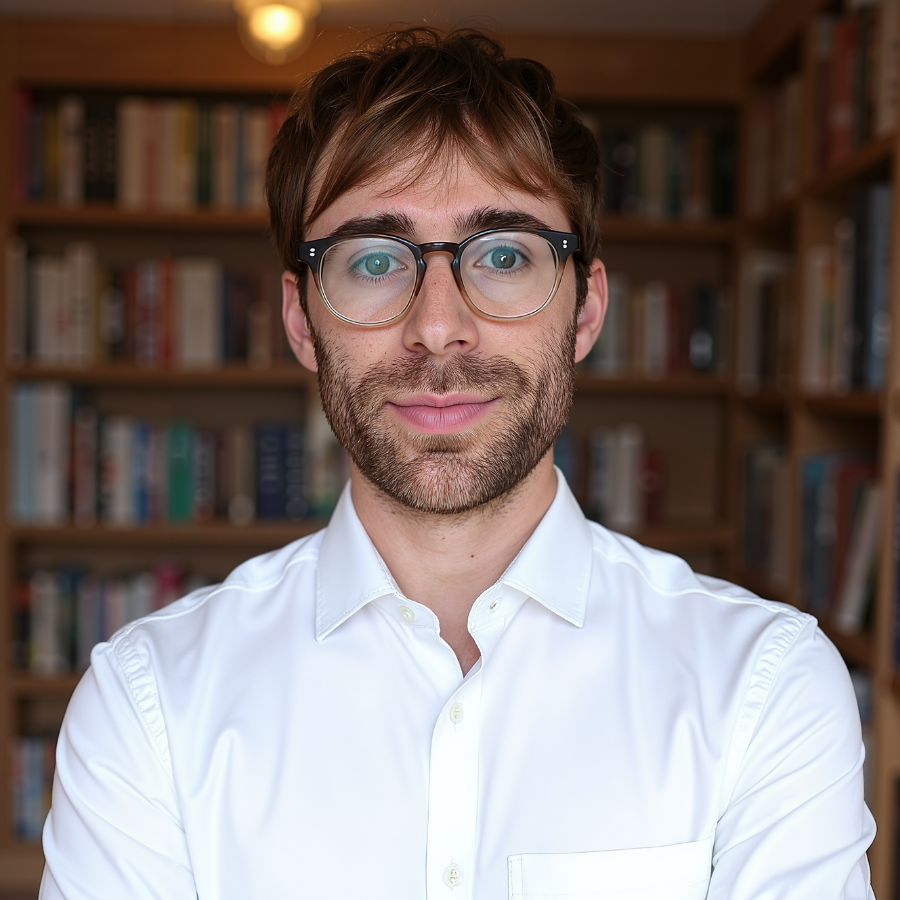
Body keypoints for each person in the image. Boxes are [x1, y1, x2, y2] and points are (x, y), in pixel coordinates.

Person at [40, 28, 875, 900]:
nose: (438, 328)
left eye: (504, 255)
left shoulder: (764, 687)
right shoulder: (149, 706)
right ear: (300, 322)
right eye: (373, 260)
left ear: (587, 310)